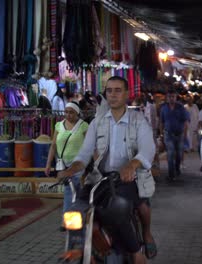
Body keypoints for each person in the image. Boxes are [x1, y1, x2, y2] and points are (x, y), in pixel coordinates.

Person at [58, 76, 156, 263]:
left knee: (117, 206)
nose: (113, 94)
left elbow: (147, 149)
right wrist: (72, 169)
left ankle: (136, 251)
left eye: (118, 90)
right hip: (100, 180)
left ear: (127, 94)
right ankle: (79, 248)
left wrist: (131, 165)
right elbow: (84, 153)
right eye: (109, 90)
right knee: (75, 211)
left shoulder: (138, 120)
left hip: (130, 179)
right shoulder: (97, 122)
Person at [45, 102, 88, 213]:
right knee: (74, 189)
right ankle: (79, 213)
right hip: (62, 164)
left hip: (78, 164)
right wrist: (48, 164)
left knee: (70, 188)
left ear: (77, 113)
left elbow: (90, 145)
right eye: (66, 112)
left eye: (71, 112)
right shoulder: (59, 126)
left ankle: (67, 217)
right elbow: (53, 146)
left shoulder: (83, 126)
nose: (68, 115)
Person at [159, 90, 189, 181]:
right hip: (168, 134)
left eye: (173, 97)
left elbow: (185, 122)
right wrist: (161, 134)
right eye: (169, 97)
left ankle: (177, 169)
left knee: (179, 154)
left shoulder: (181, 108)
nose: (171, 98)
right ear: (167, 98)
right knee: (170, 153)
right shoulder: (164, 108)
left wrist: (184, 134)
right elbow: (161, 122)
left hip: (179, 134)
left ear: (176, 97)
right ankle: (171, 174)